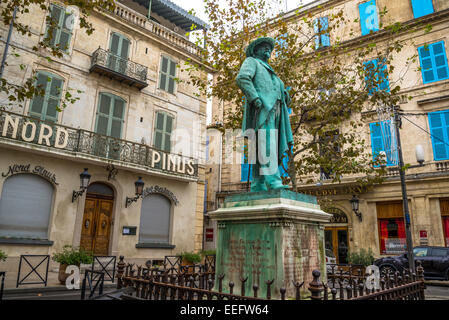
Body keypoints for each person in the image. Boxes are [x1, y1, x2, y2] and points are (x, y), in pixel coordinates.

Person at [236, 37, 293, 192]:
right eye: (264, 46)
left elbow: (278, 90)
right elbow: (242, 78)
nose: (268, 49)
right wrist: (254, 97)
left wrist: (285, 95)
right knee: (267, 144)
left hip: (276, 113)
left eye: (269, 47)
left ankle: (258, 183)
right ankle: (273, 181)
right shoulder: (252, 62)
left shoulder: (270, 70)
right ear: (256, 50)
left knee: (260, 146)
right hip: (262, 110)